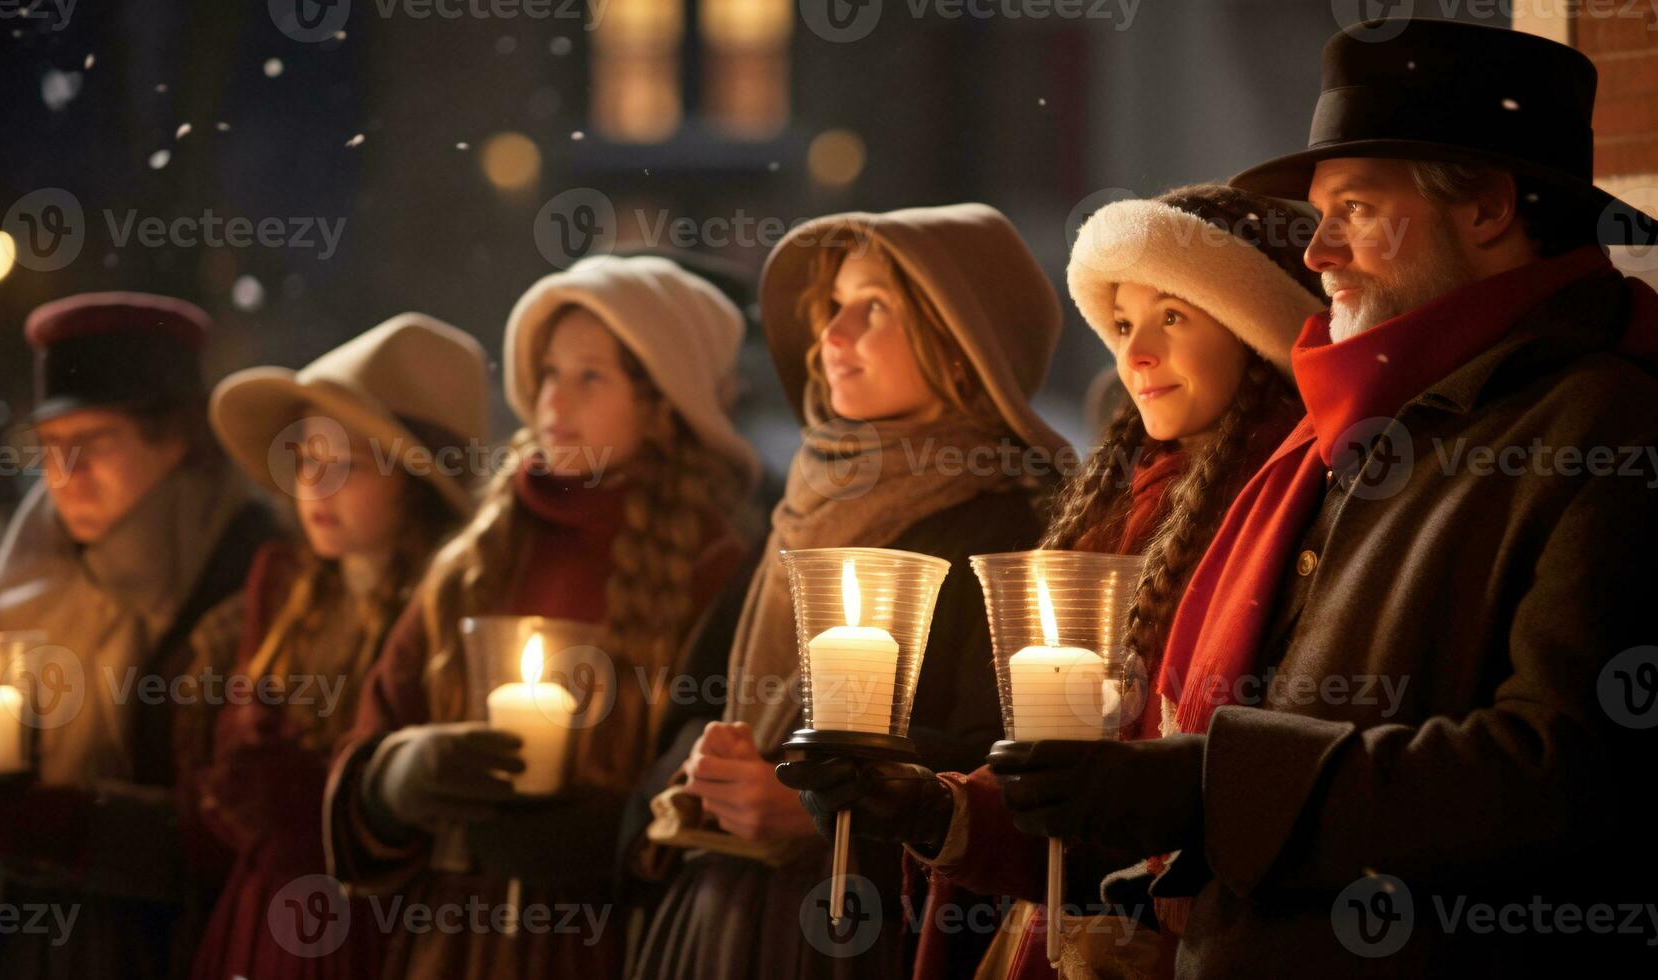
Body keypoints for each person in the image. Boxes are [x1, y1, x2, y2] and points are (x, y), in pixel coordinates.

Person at [987, 19, 1658, 975]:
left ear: (1487, 209)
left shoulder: (1605, 426)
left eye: (1352, 208)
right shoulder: (1354, 425)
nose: (1318, 253)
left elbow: (1565, 769)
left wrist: (1211, 782)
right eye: (1317, 215)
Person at [779, 184, 1325, 980]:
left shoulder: (1292, 510)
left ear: (1251, 328)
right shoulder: (1114, 512)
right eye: (1125, 324)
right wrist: (936, 808)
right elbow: (1063, 780)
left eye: (1172, 316)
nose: (1135, 355)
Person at [630, 203, 1071, 980]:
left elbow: (1007, 757)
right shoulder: (804, 503)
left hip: (869, 928)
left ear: (961, 342)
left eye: (874, 309)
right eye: (832, 308)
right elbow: (698, 700)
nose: (832, 337)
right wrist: (708, 767)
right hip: (722, 910)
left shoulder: (1010, 521)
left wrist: (818, 804)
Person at [324, 256, 758, 978]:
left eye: (591, 376)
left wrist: (618, 831)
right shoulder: (479, 556)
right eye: (548, 373)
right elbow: (374, 726)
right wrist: (392, 777)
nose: (554, 400)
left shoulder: (712, 568)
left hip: (611, 944)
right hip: (450, 942)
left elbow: (721, 785)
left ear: (661, 406)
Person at [0, 292, 279, 978]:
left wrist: (85, 829)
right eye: (50, 446)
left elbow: (237, 827)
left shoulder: (241, 579)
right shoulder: (22, 589)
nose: (63, 475)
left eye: (93, 443)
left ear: (176, 440)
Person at [178, 313, 489, 978]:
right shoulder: (281, 594)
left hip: (372, 932)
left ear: (413, 483)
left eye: (343, 463)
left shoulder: (441, 620)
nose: (313, 486)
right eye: (305, 458)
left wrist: (315, 799)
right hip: (262, 923)